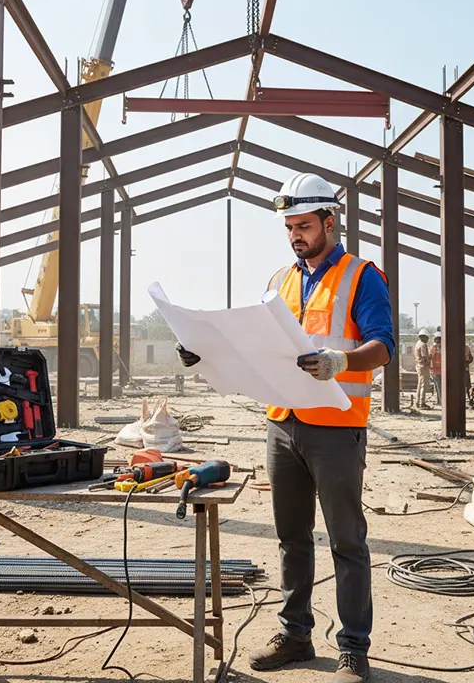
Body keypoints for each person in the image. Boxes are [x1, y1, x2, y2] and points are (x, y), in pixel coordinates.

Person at [176, 172, 394, 683]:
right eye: (289, 227)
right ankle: (295, 633)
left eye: (303, 225)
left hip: (336, 429)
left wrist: (341, 360)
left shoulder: (363, 276)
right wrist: (205, 350)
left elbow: (384, 346)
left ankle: (353, 650)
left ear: (329, 221)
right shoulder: (279, 280)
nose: (296, 235)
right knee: (291, 538)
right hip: (282, 424)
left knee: (346, 540)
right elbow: (255, 346)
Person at [414, 328, 432, 408]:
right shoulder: (423, 345)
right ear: (423, 337)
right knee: (424, 385)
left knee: (420, 384)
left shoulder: (418, 343)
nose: (427, 339)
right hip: (423, 366)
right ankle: (422, 403)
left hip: (418, 366)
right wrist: (430, 358)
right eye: (427, 337)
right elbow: (425, 357)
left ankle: (417, 402)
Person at [430, 332, 442, 405]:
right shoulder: (433, 348)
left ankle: (440, 401)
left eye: (439, 339)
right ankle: (439, 401)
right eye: (436, 339)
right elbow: (430, 358)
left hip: (441, 370)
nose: (438, 341)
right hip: (435, 370)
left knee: (440, 387)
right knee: (438, 387)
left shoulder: (444, 347)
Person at [464, 343, 474, 407]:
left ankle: (470, 400)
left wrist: (468, 361)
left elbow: (471, 358)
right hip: (458, 370)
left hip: (465, 369)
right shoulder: (455, 347)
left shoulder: (467, 348)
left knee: (468, 385)